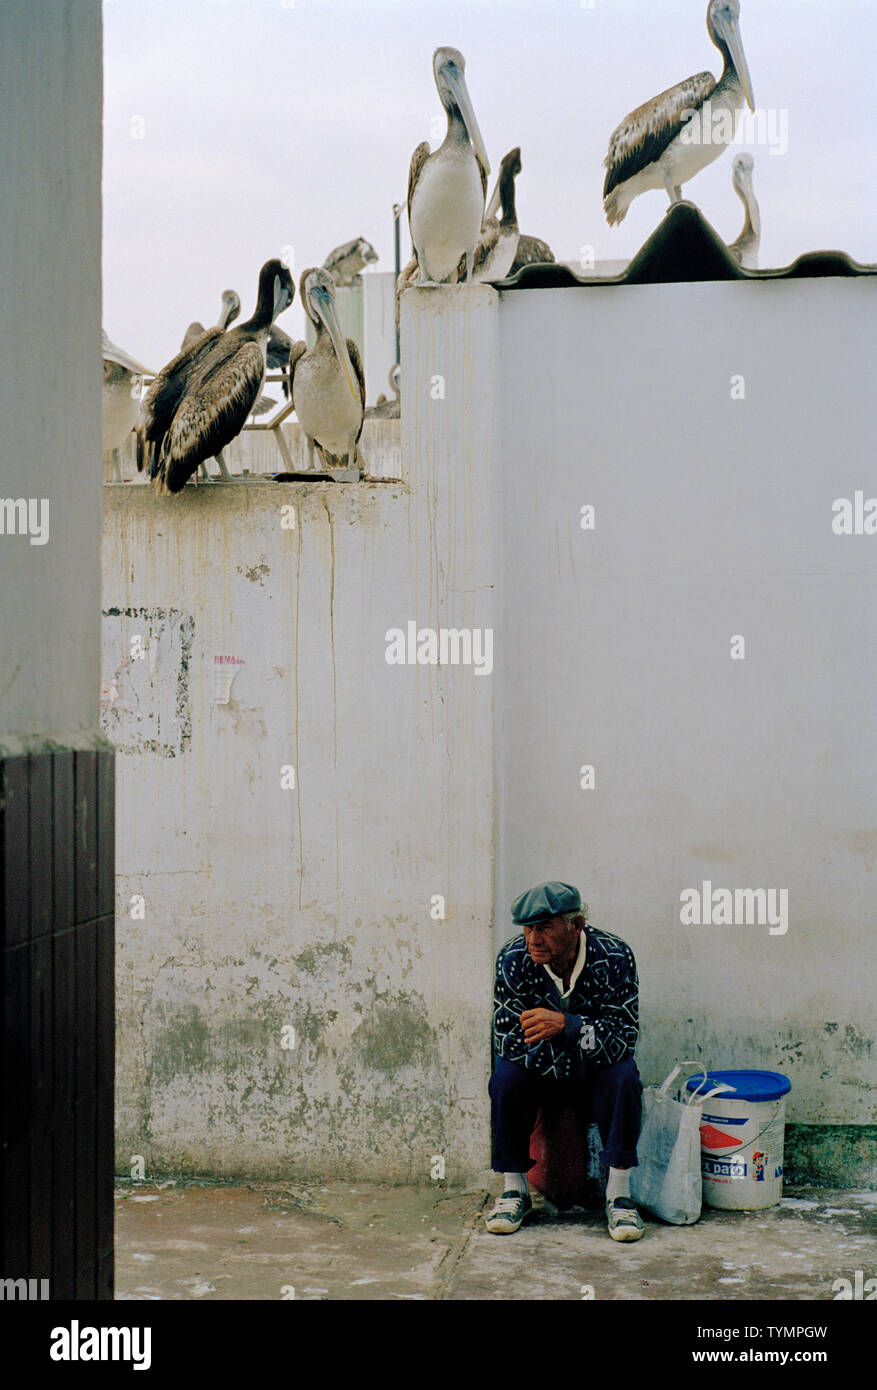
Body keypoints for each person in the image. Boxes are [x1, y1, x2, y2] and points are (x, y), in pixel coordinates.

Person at [486, 880, 645, 1242]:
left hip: (595, 1073)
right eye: (527, 929)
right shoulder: (513, 960)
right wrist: (576, 1052)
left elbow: (624, 1038)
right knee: (505, 1077)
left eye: (544, 928)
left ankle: (619, 1194)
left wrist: (567, 1027)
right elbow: (509, 1040)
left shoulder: (615, 957)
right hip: (542, 1072)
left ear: (575, 926)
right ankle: (514, 1190)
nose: (533, 940)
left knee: (623, 1076)